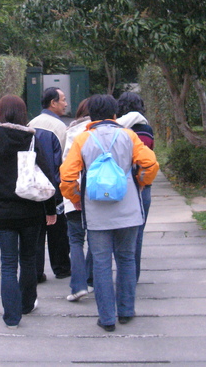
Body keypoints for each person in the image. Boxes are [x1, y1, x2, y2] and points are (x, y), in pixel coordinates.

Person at [60, 94, 159, 332]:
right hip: (128, 210)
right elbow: (150, 164)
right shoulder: (129, 135)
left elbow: (67, 177)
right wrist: (141, 182)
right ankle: (126, 311)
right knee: (126, 258)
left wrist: (76, 198)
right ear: (115, 114)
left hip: (96, 213)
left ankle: (106, 318)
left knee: (101, 263)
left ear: (91, 115)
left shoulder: (83, 139)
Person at [0, 94, 57, 329]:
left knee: (8, 263)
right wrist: (50, 210)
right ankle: (27, 304)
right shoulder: (31, 139)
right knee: (28, 259)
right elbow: (47, 176)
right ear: (23, 114)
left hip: (4, 211)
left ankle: (12, 317)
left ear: (0, 112)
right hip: (31, 210)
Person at [28, 87, 71, 282]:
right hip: (55, 189)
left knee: (36, 233)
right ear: (53, 103)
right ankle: (61, 268)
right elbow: (63, 161)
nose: (66, 104)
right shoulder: (60, 127)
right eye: (63, 100)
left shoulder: (31, 124)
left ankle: (36, 272)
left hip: (33, 188)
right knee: (58, 232)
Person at [117, 92, 155, 282]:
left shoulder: (115, 128)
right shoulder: (146, 129)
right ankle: (133, 275)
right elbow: (147, 159)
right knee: (137, 233)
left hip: (117, 184)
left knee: (114, 232)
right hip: (141, 186)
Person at [62, 98, 94, 301]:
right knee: (95, 239)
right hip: (98, 194)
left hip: (74, 193)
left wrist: (73, 196)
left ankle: (78, 285)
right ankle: (90, 280)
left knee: (75, 240)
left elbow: (66, 167)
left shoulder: (72, 132)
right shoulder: (102, 132)